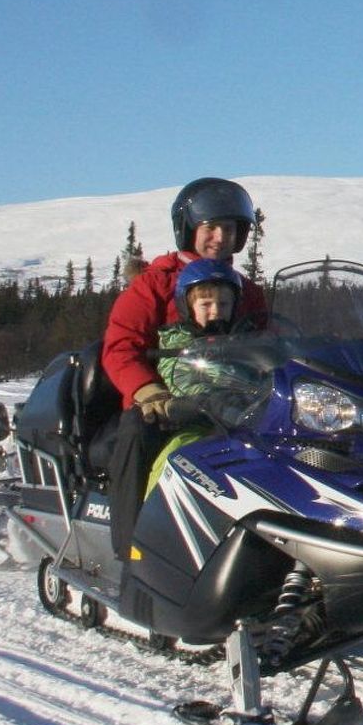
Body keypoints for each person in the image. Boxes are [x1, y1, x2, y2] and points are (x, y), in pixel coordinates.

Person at [99, 178, 270, 554]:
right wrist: (149, 392)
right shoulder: (154, 284)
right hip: (166, 403)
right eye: (211, 227)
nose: (220, 237)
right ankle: (131, 549)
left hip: (233, 400)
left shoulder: (248, 291)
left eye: (229, 228)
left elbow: (269, 343)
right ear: (189, 228)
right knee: (136, 431)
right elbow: (120, 347)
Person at [144, 258, 246, 498]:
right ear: (188, 306)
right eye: (206, 304)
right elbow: (178, 375)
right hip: (195, 424)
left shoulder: (244, 342)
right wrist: (208, 400)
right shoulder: (176, 342)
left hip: (243, 427)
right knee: (178, 455)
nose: (215, 311)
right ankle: (152, 523)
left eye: (223, 304)